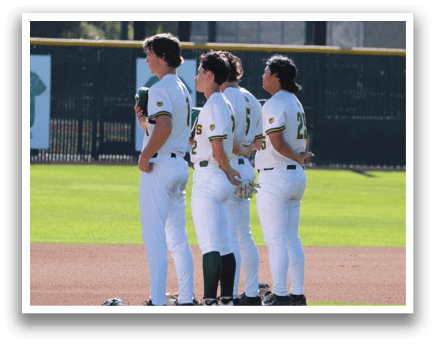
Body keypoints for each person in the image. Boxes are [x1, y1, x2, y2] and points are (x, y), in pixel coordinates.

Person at [134, 33, 195, 306]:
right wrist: (147, 124)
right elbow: (168, 128)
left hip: (160, 167)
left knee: (155, 236)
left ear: (161, 56)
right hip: (179, 165)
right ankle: (186, 297)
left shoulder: (160, 88)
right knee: (178, 238)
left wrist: (144, 155)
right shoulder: (181, 87)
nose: (147, 59)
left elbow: (166, 127)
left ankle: (157, 300)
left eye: (149, 54)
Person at [255, 55, 314, 306]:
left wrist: (298, 157)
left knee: (276, 239)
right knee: (291, 238)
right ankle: (297, 295)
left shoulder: (276, 102)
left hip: (276, 175)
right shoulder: (295, 101)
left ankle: (280, 295)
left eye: (267, 71)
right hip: (294, 178)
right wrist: (299, 158)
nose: (263, 75)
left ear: (277, 76)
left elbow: (277, 143)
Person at [190, 50, 242, 306]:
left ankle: (210, 300)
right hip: (217, 176)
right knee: (225, 243)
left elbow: (219, 148)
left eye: (200, 71)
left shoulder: (215, 104)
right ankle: (227, 299)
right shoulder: (221, 103)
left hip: (210, 175)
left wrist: (231, 170)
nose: (197, 76)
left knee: (210, 244)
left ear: (210, 75)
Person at [219, 51, 264, 306]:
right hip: (247, 169)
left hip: (232, 170)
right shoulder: (251, 98)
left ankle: (231, 294)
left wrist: (241, 149)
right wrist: (247, 149)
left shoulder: (223, 98)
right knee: (243, 233)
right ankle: (251, 292)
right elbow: (259, 140)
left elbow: (225, 139)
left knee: (228, 235)